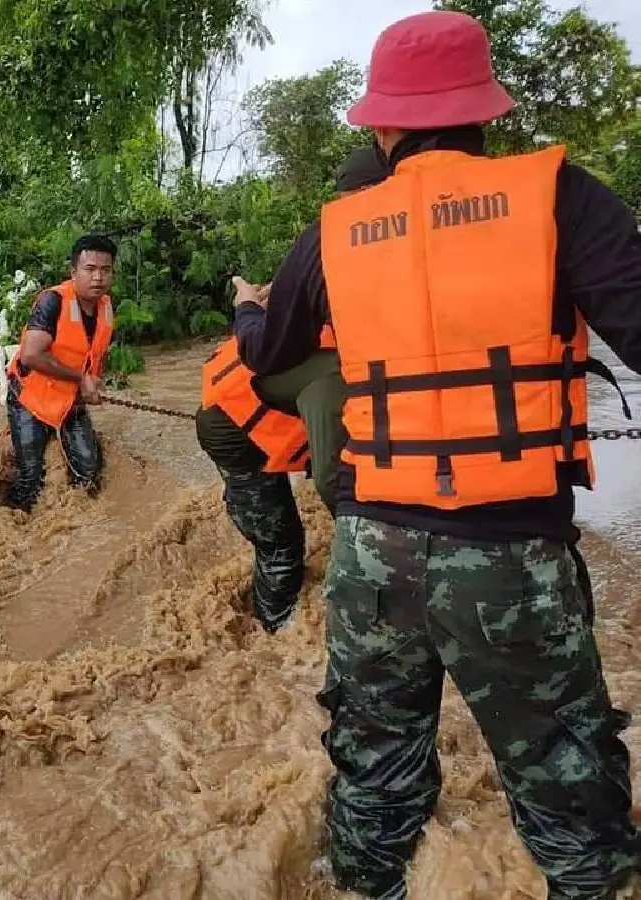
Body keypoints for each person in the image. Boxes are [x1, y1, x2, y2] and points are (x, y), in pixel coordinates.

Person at [233, 10, 641, 900]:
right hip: (512, 555)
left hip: (373, 550)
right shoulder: (563, 198)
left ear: (383, 126)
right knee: (568, 789)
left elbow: (268, 358)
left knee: (374, 778)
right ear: (484, 109)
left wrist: (249, 310)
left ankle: (367, 882)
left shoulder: (337, 229)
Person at [196, 147, 389, 634]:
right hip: (235, 428)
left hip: (269, 406)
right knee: (283, 546)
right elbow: (332, 480)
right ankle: (272, 637)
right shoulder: (332, 365)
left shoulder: (333, 276)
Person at [3, 234, 116, 512]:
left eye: (105, 270)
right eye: (90, 269)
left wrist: (93, 385)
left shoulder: (105, 307)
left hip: (69, 400)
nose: (98, 277)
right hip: (30, 398)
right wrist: (80, 379)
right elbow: (31, 354)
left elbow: (94, 355)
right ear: (73, 272)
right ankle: (15, 523)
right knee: (32, 478)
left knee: (89, 471)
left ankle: (75, 524)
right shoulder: (52, 302)